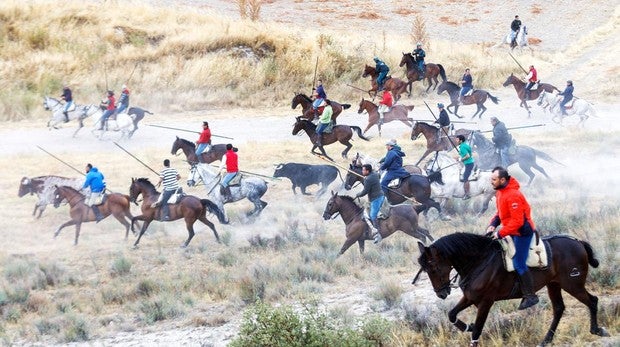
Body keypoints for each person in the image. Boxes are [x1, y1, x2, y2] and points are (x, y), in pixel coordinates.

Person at [486, 166, 539, 310]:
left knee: (518, 263)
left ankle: (530, 296)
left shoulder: (513, 195)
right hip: (511, 230)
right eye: (491, 179)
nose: (491, 182)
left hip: (522, 232)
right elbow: (499, 214)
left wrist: (500, 233)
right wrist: (492, 225)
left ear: (502, 180)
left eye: (494, 179)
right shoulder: (500, 193)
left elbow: (517, 222)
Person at [355, 164, 385, 243]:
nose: (362, 171)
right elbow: (379, 176)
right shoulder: (375, 174)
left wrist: (358, 194)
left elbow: (365, 191)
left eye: (363, 170)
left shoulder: (368, 179)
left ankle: (378, 235)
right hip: (381, 195)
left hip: (376, 199)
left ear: (368, 171)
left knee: (372, 215)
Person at [456, 134, 474, 200]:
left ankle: (467, 194)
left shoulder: (463, 147)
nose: (456, 141)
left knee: (465, 177)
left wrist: (461, 159)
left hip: (468, 164)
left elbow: (468, 156)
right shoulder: (465, 145)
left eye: (457, 139)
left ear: (461, 140)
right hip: (469, 163)